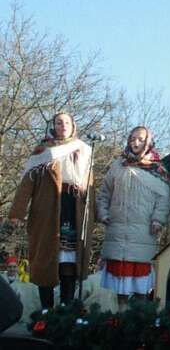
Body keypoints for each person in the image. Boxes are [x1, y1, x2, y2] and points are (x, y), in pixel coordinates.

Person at [9, 112, 95, 308]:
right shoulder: (43, 151)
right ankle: (46, 311)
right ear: (53, 126)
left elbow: (90, 184)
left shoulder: (84, 150)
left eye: (66, 122)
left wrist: (94, 215)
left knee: (69, 261)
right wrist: (17, 212)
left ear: (73, 126)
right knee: (46, 258)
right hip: (47, 209)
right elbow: (26, 183)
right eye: (58, 122)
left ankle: (66, 309)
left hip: (74, 207)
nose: (62, 125)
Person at [97, 126, 170, 309]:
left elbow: (164, 199)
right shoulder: (118, 165)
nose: (135, 143)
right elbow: (104, 192)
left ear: (148, 142)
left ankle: (139, 321)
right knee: (120, 284)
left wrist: (157, 220)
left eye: (140, 139)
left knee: (140, 283)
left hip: (143, 231)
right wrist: (104, 214)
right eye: (132, 139)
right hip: (118, 230)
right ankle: (120, 319)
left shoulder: (157, 169)